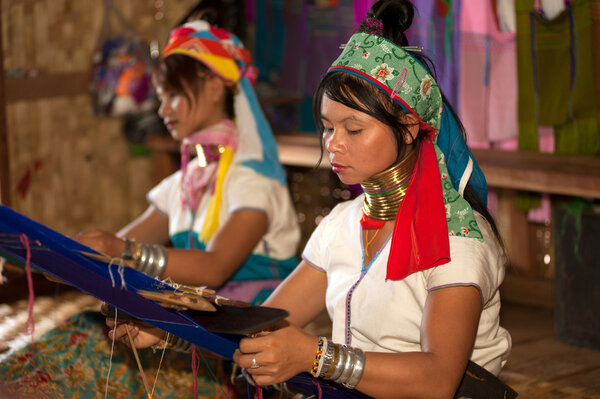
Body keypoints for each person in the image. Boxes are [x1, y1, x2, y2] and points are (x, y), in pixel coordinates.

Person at [109, 1, 514, 397]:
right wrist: (169, 329)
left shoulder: (458, 238)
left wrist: (314, 356)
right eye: (326, 127)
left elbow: (437, 380)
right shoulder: (343, 224)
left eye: (352, 130)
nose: (333, 144)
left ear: (408, 127)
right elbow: (264, 323)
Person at [0, 19, 300, 398]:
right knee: (81, 332)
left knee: (86, 350)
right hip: (192, 326)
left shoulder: (254, 180)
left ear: (213, 86)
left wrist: (124, 252)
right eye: (160, 97)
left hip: (242, 346)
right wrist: (30, 253)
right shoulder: (184, 183)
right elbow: (108, 246)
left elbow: (215, 265)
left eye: (172, 94)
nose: (162, 109)